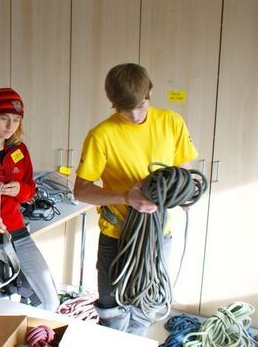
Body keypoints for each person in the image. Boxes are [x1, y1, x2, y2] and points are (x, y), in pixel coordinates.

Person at [73, 63, 198, 335]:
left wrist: (162, 187)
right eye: (124, 109)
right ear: (112, 103)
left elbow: (184, 174)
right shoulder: (101, 135)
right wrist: (126, 197)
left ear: (149, 93)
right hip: (116, 234)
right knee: (111, 310)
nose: (133, 115)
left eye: (140, 106)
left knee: (145, 308)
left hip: (158, 234)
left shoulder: (172, 122)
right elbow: (81, 190)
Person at [0, 87, 59, 311]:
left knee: (50, 301)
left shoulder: (19, 150)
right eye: (4, 118)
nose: (10, 126)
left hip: (16, 231)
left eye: (16, 120)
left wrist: (20, 191)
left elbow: (30, 191)